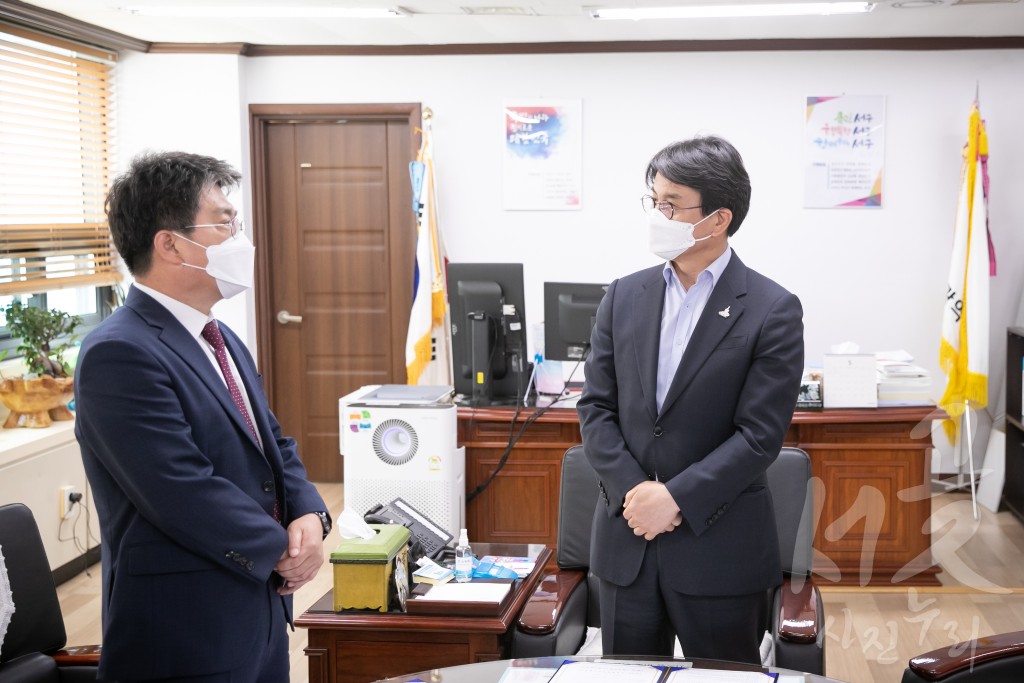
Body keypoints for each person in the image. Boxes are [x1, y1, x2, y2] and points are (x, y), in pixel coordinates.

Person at [75, 151, 331, 682]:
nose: (239, 237)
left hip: (255, 607)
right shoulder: (118, 351)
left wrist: (310, 514)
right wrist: (282, 548)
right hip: (184, 627)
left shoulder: (219, 335)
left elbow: (272, 441)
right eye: (224, 221)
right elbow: (180, 489)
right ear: (170, 244)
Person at [576, 135, 804, 664]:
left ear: (718, 218)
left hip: (718, 547)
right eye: (654, 201)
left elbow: (759, 437)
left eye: (672, 205)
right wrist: (638, 493)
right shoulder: (623, 295)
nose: (659, 215)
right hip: (627, 538)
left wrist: (674, 499)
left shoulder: (772, 309)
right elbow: (596, 408)